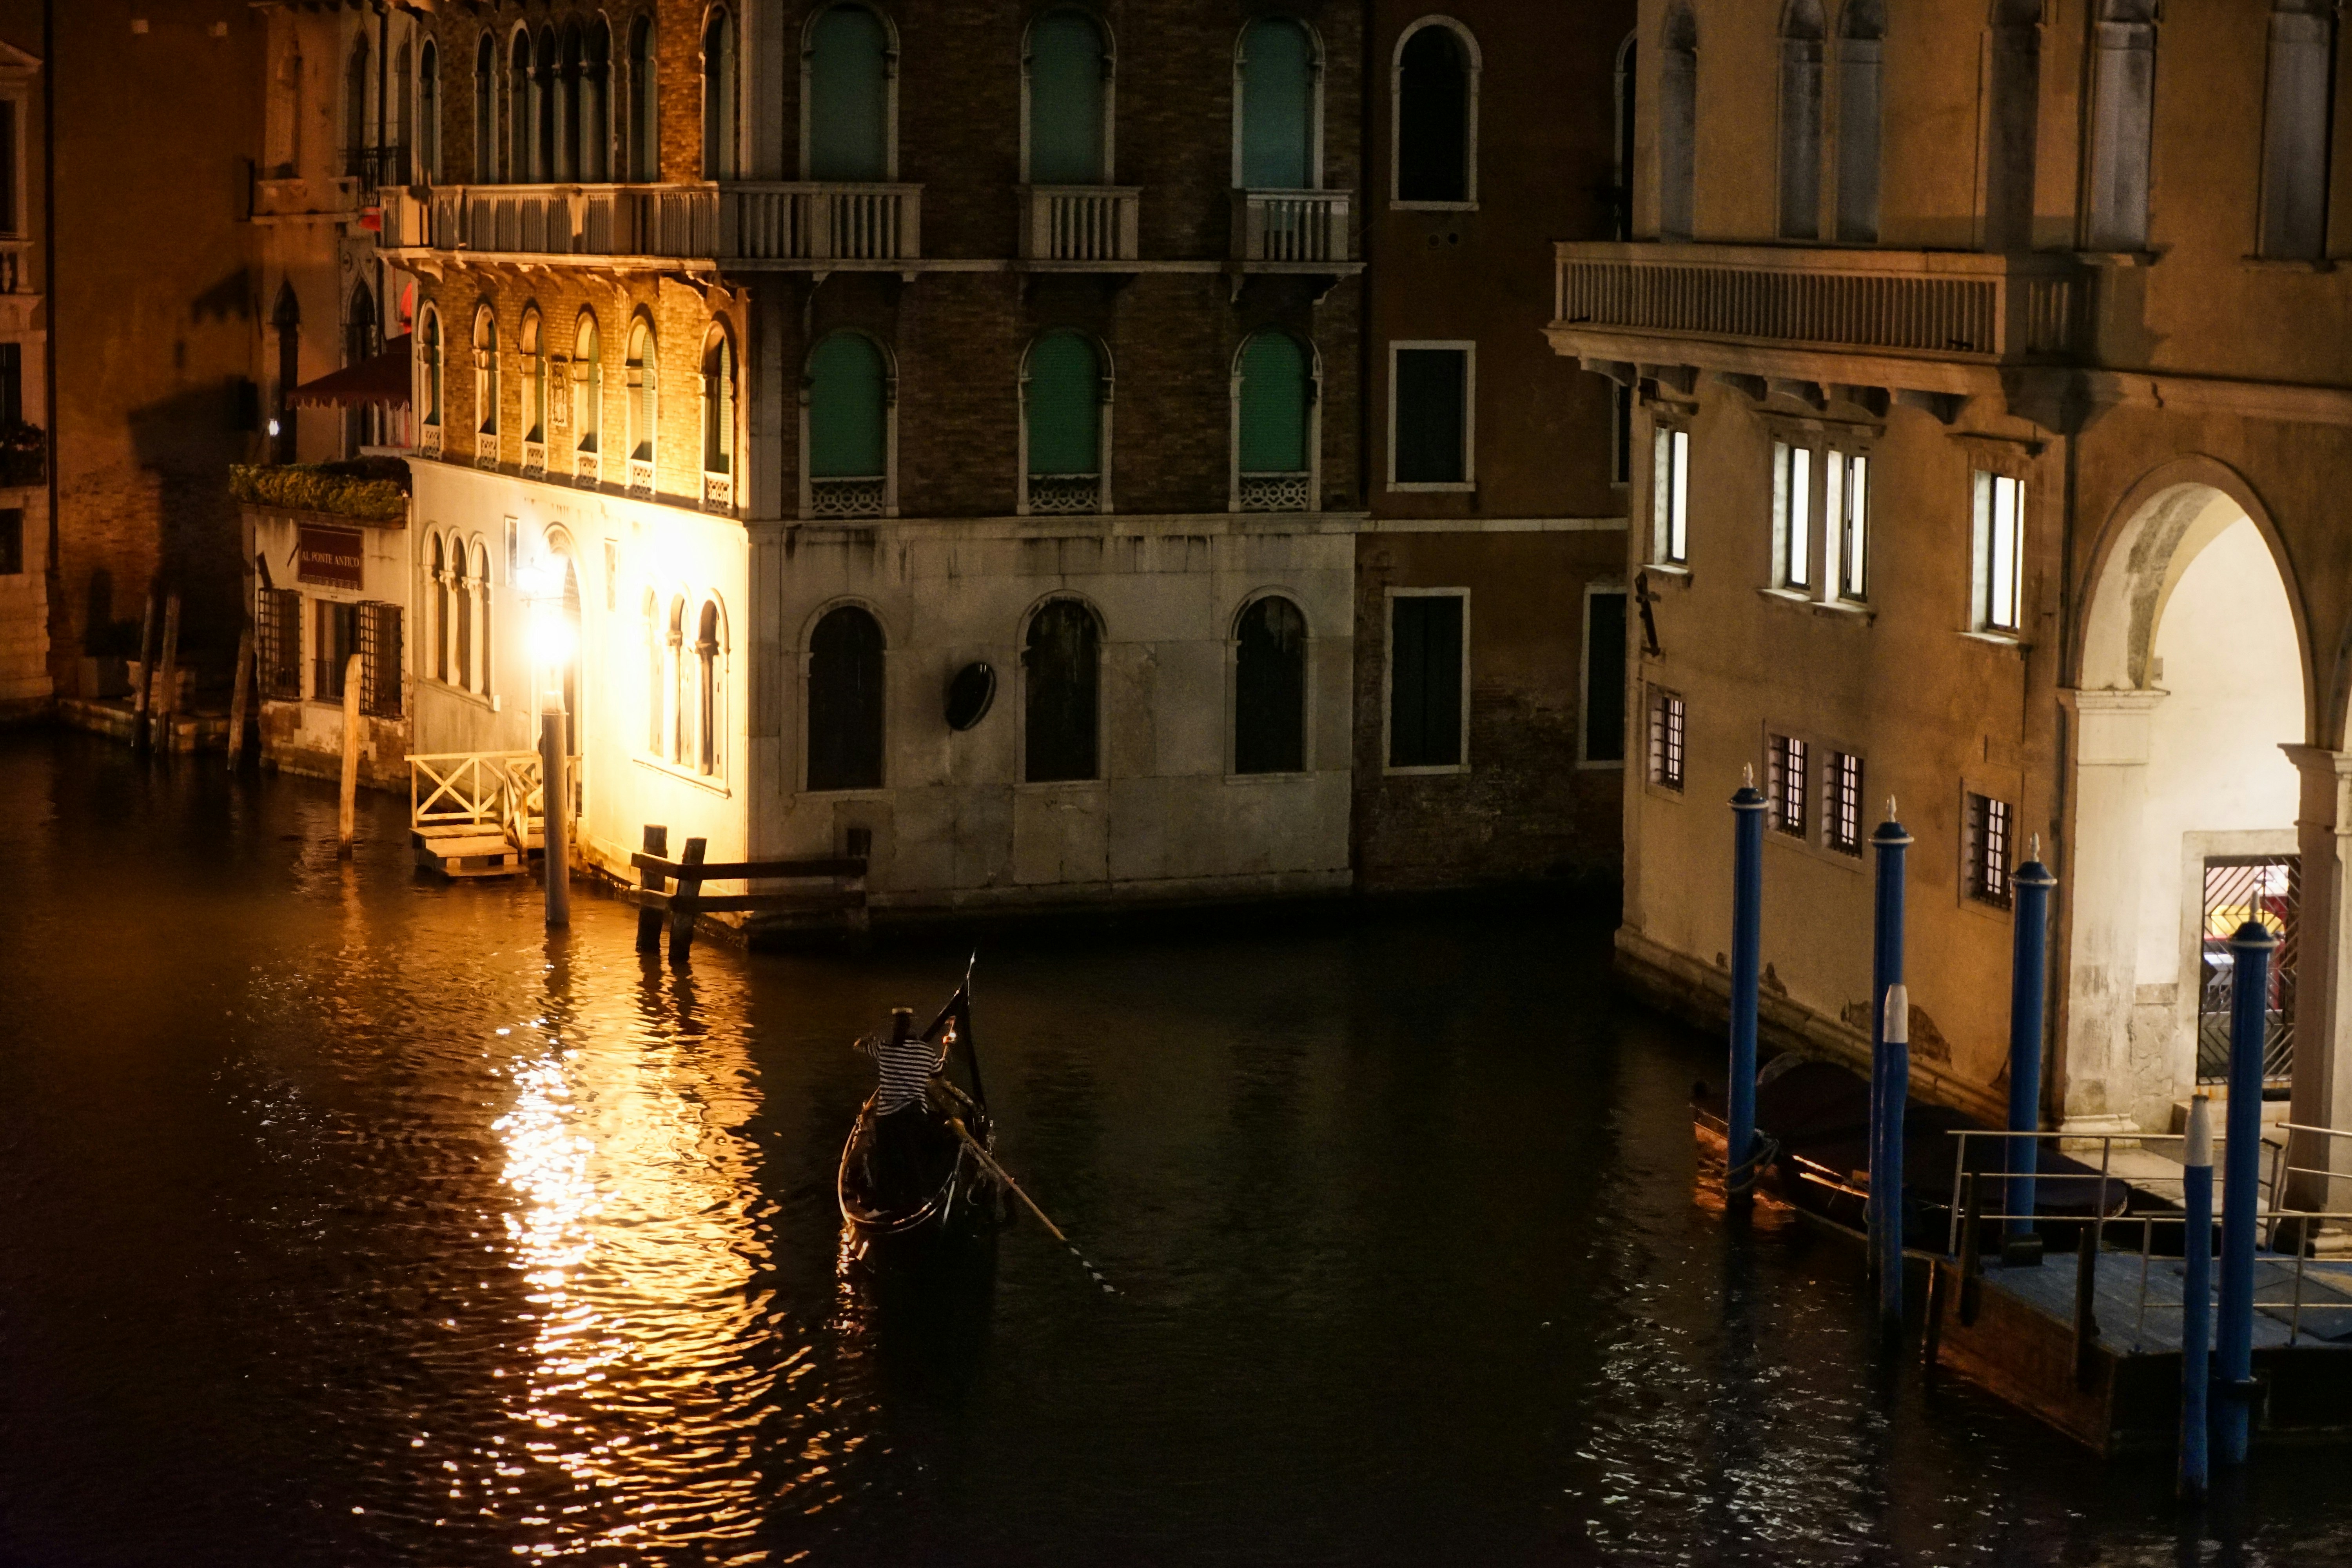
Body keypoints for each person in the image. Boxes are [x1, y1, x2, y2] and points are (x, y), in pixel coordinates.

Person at [856, 1006, 946, 1207]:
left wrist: (867, 1038)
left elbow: (858, 1046)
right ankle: (917, 1199)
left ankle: (885, 1205)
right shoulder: (927, 1052)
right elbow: (938, 1074)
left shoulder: (883, 1048)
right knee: (913, 1156)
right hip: (915, 1114)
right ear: (914, 1028)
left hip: (888, 1117)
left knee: (887, 1162)